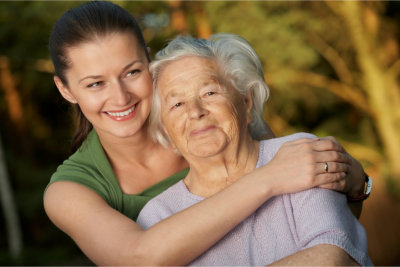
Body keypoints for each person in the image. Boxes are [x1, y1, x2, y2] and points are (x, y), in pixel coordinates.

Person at [43, 2, 370, 265]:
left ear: (148, 62)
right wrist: (269, 178)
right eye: (95, 83)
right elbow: (139, 257)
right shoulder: (70, 192)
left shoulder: (222, 123)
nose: (120, 97)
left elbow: (316, 219)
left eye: (132, 72)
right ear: (66, 89)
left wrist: (356, 184)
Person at [137, 33, 373, 266]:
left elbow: (330, 258)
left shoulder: (299, 156)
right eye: (177, 104)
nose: (195, 111)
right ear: (165, 130)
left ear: (247, 102)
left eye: (209, 93)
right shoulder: (158, 215)